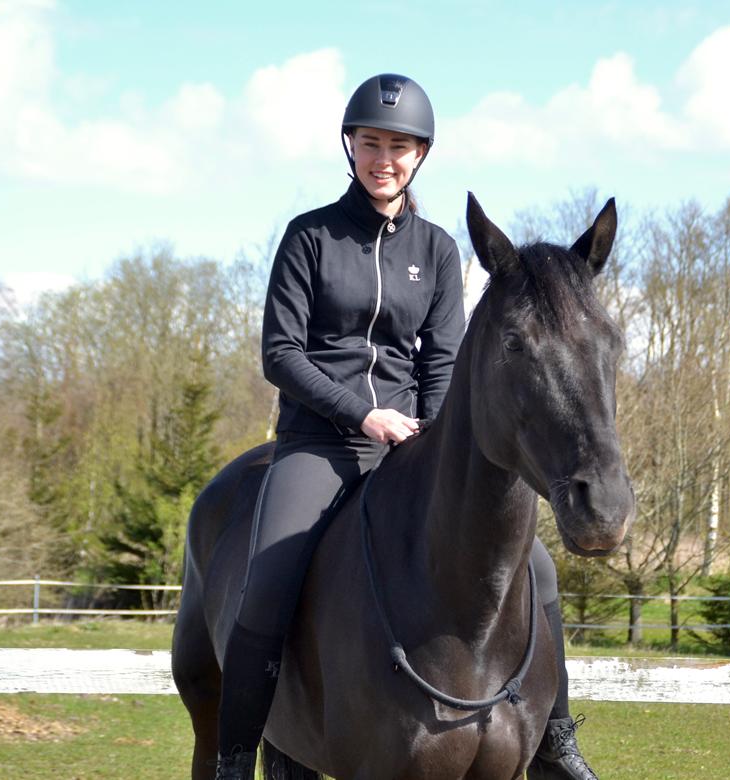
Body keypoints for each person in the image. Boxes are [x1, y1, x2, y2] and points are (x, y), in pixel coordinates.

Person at [215, 73, 598, 780]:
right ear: (350, 147)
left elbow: (443, 356)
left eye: (399, 145)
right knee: (267, 576)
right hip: (321, 444)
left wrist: (427, 428)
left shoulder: (439, 250)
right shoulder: (310, 238)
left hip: (411, 446)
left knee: (536, 564)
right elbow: (280, 353)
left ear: (420, 154)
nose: (383, 157)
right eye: (371, 143)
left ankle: (559, 737)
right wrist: (360, 411)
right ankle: (235, 755)